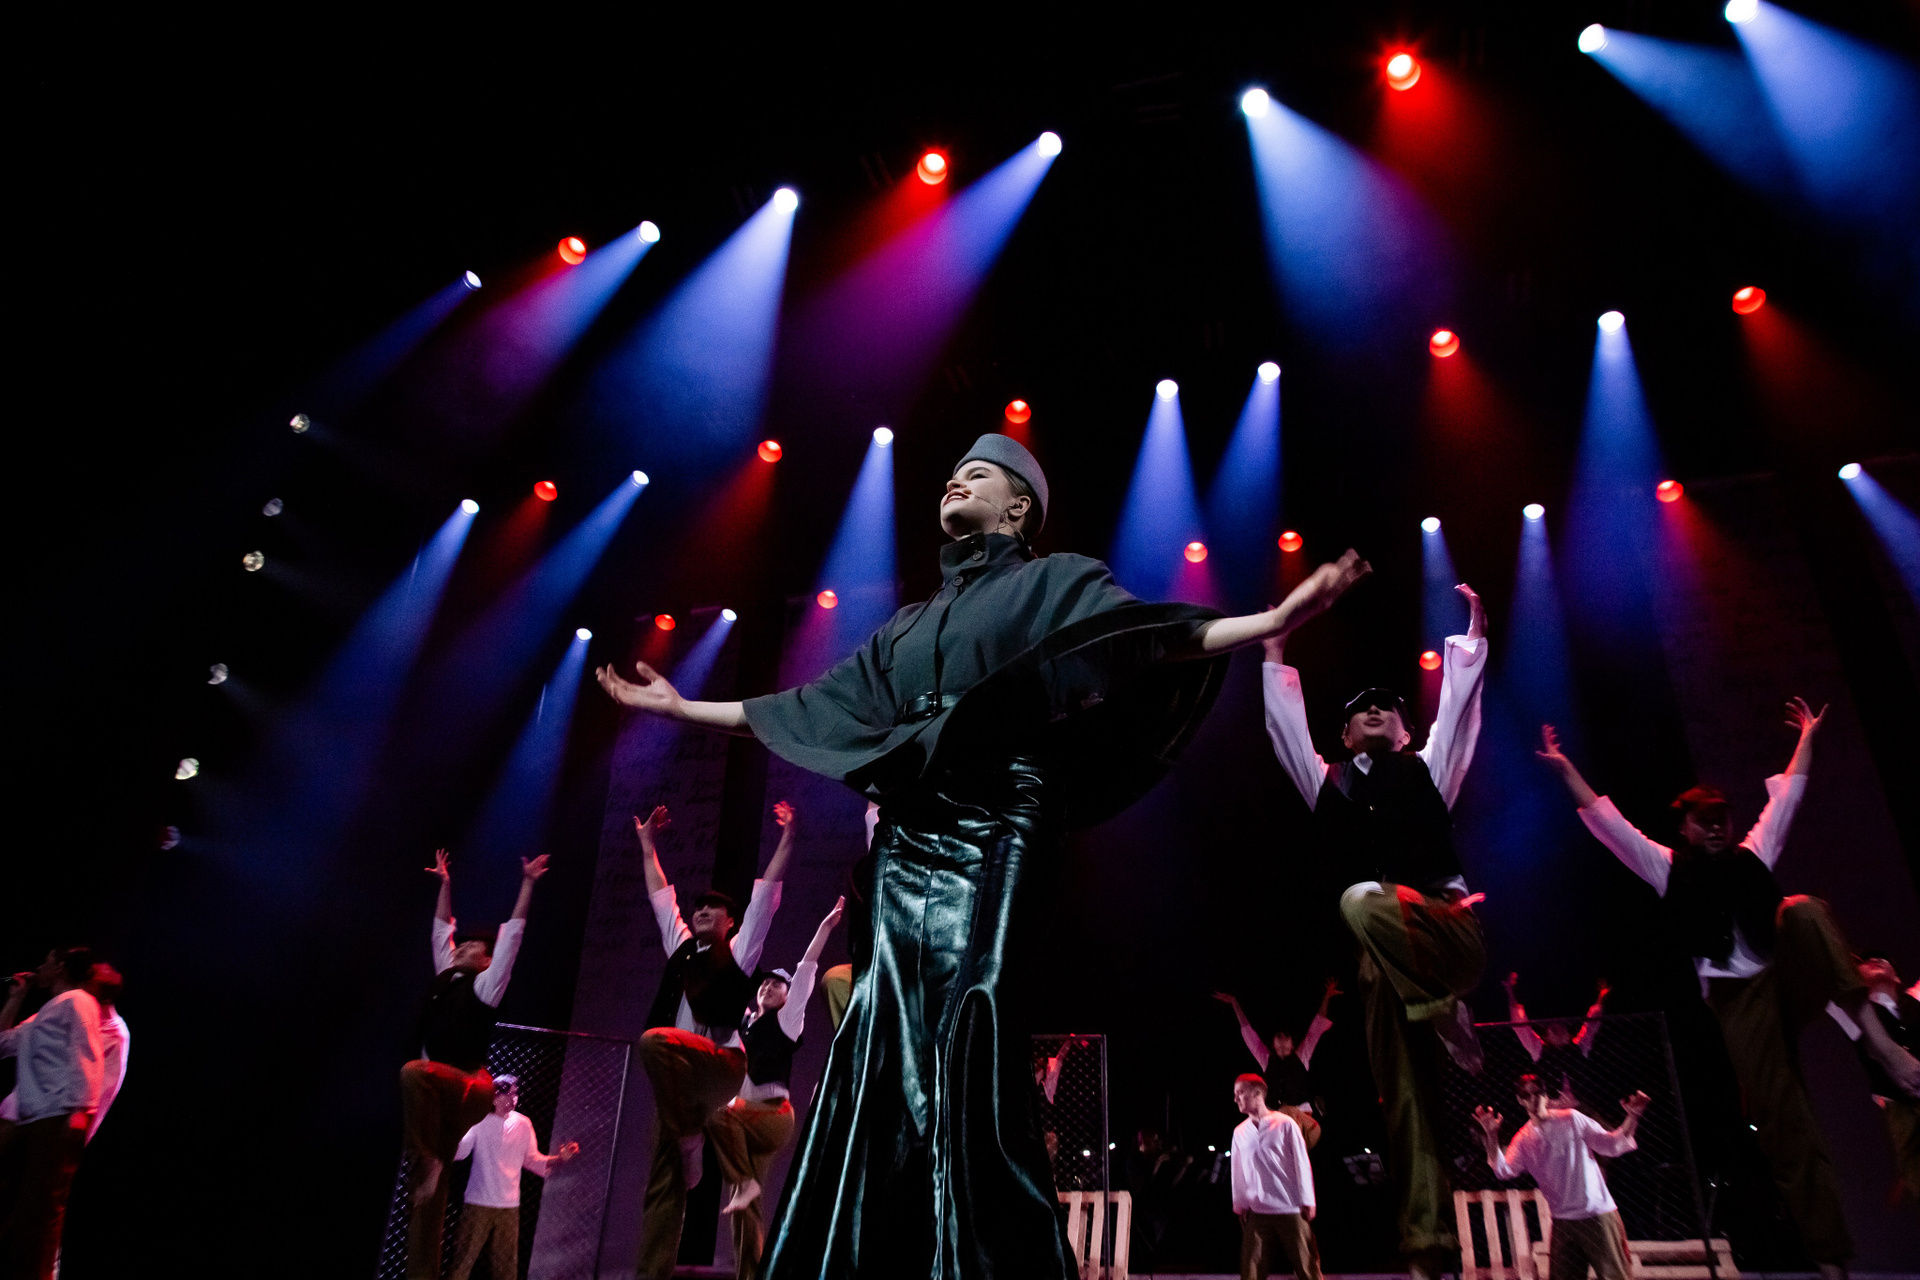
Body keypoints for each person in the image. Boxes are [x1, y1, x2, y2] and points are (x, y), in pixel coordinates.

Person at [597, 431, 1372, 1280]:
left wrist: (1272, 622)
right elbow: (805, 707)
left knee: (979, 1005)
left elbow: (1148, 635)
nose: (953, 481)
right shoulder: (906, 626)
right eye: (951, 473)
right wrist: (681, 708)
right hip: (911, 828)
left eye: (977, 474)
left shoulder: (1053, 580)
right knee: (885, 1026)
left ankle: (989, 1256)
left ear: (1019, 507)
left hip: (1005, 809)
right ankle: (885, 1256)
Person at [1539, 705, 1920, 1280]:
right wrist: (1566, 766)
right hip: (1740, 1003)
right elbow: (1609, 824)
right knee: (1785, 1122)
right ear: (1686, 827)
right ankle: (1831, 1260)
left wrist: (1808, 737)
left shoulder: (1753, 854)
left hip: (1785, 975)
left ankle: (1883, 1045)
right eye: (1705, 820)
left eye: (1722, 818)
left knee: (1803, 910)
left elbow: (1788, 797)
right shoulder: (1668, 868)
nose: (1717, 827)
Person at [1260, 582, 1490, 1278]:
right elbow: (1285, 733)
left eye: (1386, 705)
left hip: (1445, 931)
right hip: (1382, 971)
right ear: (1343, 734)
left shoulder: (1429, 768)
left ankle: (1442, 1004)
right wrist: (1274, 648)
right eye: (1360, 708)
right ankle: (1429, 1247)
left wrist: (1474, 633)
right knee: (1410, 1104)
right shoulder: (1328, 783)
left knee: (1361, 899)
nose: (1373, 710)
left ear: (1404, 729)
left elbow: (1459, 710)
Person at [633, 800, 790, 1280]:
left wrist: (788, 838)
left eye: (714, 908)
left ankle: (691, 1141)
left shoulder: (739, 952)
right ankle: (651, 1273)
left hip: (720, 1067)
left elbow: (764, 901)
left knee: (654, 1042)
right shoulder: (682, 950)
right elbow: (662, 898)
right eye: (699, 906)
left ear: (730, 923)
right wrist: (647, 845)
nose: (702, 910)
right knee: (662, 1184)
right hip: (683, 1082)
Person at [401, 850, 549, 1280]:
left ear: (485, 961)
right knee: (426, 1193)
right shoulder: (445, 979)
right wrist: (445, 884)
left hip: (470, 1085)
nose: (462, 947)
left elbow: (512, 940)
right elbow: (440, 933)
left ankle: (427, 1159)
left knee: (413, 1072)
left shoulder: (486, 985)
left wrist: (527, 884)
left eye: (473, 947)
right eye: (461, 944)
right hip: (439, 1092)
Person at [710, 896, 844, 1280]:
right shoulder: (745, 1023)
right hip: (746, 1118)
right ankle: (750, 1274)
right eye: (765, 983)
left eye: (777, 985)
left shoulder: (787, 1021)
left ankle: (745, 1183)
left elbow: (805, 970)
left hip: (771, 1116)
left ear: (787, 998)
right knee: (743, 1208)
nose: (768, 987)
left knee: (718, 1116)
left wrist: (825, 928)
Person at [1473, 1077, 1649, 1280]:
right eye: (1526, 1095)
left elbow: (1611, 1144)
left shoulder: (1572, 1119)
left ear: (1545, 1095)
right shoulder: (1523, 1139)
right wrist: (1492, 1135)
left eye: (1537, 1092)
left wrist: (1632, 1117)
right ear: (1520, 1100)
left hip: (1596, 1214)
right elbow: (1503, 1170)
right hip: (1563, 1220)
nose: (1533, 1098)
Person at [0, 948, 103, 1280]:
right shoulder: (46, 1012)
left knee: (39, 1213)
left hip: (58, 1116)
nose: (39, 967)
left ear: (60, 967)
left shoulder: (79, 1002)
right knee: (21, 1207)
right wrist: (17, 998)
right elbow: (3, 1043)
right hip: (33, 1118)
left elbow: (87, 1057)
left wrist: (78, 1115)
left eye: (45, 961)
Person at [446, 1074, 579, 1280]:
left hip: (509, 1207)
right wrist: (450, 1133)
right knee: (462, 1263)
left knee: (506, 1269)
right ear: (494, 1096)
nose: (512, 1099)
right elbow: (460, 1152)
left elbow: (533, 1159)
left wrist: (560, 1159)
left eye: (515, 1094)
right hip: (478, 1203)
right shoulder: (479, 1121)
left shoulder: (523, 1124)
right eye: (507, 1094)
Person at [1825, 953, 1920, 1206]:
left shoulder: (1914, 1000)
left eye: (1883, 959)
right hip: (1900, 1111)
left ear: (1897, 977)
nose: (1875, 960)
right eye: (1867, 961)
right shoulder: (1852, 1013)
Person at [0, 964, 129, 1144]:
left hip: (53, 1121)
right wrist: (16, 997)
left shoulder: (114, 1034)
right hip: (14, 1115)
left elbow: (104, 1089)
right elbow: (4, 1043)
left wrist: (80, 1131)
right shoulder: (59, 1010)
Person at [1215, 978, 1339, 1148]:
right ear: (1273, 1043)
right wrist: (1234, 1003)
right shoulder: (1266, 1059)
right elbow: (1248, 1032)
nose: (1282, 1039)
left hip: (1300, 1115)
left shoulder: (1302, 1056)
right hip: (1275, 1116)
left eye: (1286, 1036)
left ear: (1292, 1044)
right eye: (1278, 1036)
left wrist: (1327, 997)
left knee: (1289, 1122)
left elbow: (1315, 1028)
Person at [1229, 1073, 1321, 1280]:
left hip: (1290, 1207)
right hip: (1258, 1209)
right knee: (1251, 1269)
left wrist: (1308, 1200)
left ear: (1257, 1093)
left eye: (1240, 1093)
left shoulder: (1285, 1124)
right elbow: (1238, 1171)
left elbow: (1301, 1163)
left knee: (1307, 1267)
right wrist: (1240, 1204)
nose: (1236, 1099)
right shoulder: (1240, 1132)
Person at [1501, 972, 1605, 1108]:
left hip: (1580, 1106)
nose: (1558, 1031)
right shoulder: (1539, 1049)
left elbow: (1592, 1023)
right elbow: (1520, 1025)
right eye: (1554, 1029)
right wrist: (1510, 991)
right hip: (1552, 1107)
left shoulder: (1579, 1046)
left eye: (1561, 1027)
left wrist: (1601, 996)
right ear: (1547, 1036)